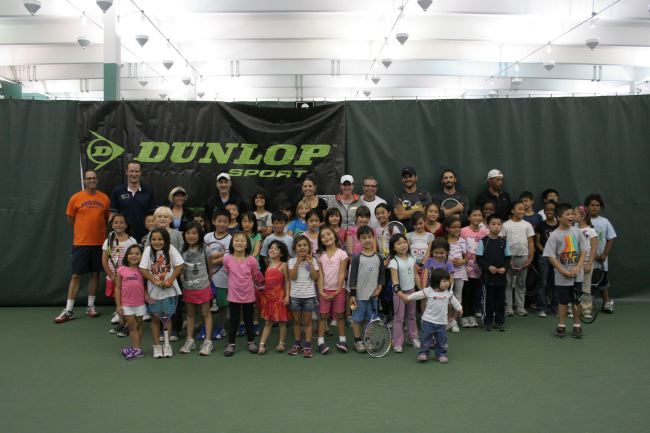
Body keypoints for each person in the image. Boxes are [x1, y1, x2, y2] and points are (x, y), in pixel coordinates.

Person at [55, 170, 110, 324]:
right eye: (89, 178)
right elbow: (70, 219)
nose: (92, 180)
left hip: (99, 243)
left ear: (97, 180)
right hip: (80, 243)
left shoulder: (104, 198)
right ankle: (69, 310)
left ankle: (90, 306)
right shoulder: (75, 198)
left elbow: (107, 219)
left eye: (94, 178)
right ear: (84, 180)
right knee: (75, 275)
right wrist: (82, 232)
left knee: (95, 274)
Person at [396, 269, 462, 363]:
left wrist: (459, 308)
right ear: (436, 282)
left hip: (441, 322)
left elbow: (454, 301)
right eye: (444, 281)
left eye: (448, 280)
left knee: (441, 340)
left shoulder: (448, 293)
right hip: (428, 321)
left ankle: (441, 354)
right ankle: (423, 353)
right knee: (426, 338)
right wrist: (408, 297)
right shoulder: (429, 291)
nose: (447, 283)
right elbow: (417, 294)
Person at [543, 203, 589, 339]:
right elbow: (550, 256)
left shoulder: (577, 232)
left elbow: (584, 251)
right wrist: (562, 271)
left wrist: (578, 267)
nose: (571, 216)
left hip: (577, 275)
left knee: (576, 301)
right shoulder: (554, 235)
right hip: (562, 277)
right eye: (568, 214)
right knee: (562, 301)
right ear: (559, 217)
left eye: (572, 214)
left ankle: (577, 326)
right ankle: (561, 326)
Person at [139, 228, 185, 358]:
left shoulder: (170, 249)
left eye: (160, 239)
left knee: (167, 318)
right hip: (154, 293)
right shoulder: (148, 250)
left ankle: (167, 345)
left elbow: (180, 265)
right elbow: (142, 269)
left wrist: (170, 280)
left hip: (170, 292)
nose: (157, 242)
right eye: (154, 239)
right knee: (155, 319)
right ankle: (157, 346)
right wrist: (155, 281)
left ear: (166, 240)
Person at [222, 232, 265, 356]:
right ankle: (231, 344)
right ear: (232, 243)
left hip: (248, 295)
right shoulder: (227, 258)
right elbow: (227, 272)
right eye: (237, 240)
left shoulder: (252, 260)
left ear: (247, 244)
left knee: (248, 319)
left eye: (242, 241)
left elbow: (254, 275)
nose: (239, 243)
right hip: (233, 295)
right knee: (234, 320)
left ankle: (251, 342)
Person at [179, 221, 214, 356]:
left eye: (194, 233)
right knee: (190, 313)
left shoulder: (206, 249)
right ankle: (190, 340)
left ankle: (208, 341)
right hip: (188, 287)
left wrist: (208, 283)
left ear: (200, 234)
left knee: (206, 313)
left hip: (203, 287)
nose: (191, 236)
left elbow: (210, 269)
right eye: (188, 233)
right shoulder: (182, 248)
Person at [348, 226, 385, 353]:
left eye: (369, 237)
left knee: (370, 320)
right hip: (359, 297)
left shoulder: (379, 257)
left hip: (373, 297)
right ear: (359, 240)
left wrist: (379, 288)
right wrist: (353, 295)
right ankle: (358, 341)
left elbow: (381, 275)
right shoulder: (356, 258)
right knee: (357, 319)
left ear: (373, 238)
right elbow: (352, 278)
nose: (367, 240)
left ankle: (367, 340)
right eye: (364, 238)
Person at [316, 226, 349, 354]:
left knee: (340, 316)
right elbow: (320, 275)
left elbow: (342, 273)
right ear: (320, 240)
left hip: (339, 290)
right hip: (324, 291)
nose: (326, 237)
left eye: (329, 234)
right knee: (323, 316)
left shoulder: (342, 254)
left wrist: (338, 290)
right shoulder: (320, 256)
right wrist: (321, 291)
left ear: (335, 236)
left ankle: (342, 341)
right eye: (323, 236)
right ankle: (320, 342)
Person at [102, 214, 137, 335]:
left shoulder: (132, 241)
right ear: (112, 225)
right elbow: (104, 260)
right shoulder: (108, 241)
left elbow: (135, 259)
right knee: (119, 302)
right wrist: (112, 275)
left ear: (126, 225)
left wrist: (128, 275)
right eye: (116, 222)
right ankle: (122, 323)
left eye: (121, 222)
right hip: (113, 277)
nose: (118, 225)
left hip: (127, 279)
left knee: (127, 302)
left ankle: (128, 325)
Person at [388, 233, 422, 353]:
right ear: (393, 248)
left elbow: (415, 275)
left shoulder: (412, 258)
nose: (402, 245)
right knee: (399, 318)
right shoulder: (394, 262)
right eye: (398, 244)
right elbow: (395, 283)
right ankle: (397, 343)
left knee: (412, 315)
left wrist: (421, 290)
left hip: (411, 291)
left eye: (404, 242)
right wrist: (402, 295)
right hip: (399, 294)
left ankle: (413, 338)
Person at [476, 214, 511, 331]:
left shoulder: (503, 242)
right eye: (493, 224)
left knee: (500, 301)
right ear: (488, 225)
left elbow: (508, 258)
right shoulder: (483, 242)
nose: (496, 226)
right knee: (488, 301)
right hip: (487, 279)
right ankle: (487, 322)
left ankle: (500, 322)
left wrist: (504, 268)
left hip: (501, 278)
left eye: (499, 224)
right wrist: (488, 267)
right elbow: (479, 258)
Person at [287, 236, 320, 358]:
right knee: (296, 321)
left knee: (307, 322)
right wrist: (297, 263)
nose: (302, 248)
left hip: (309, 296)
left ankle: (307, 346)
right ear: (295, 248)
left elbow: (315, 277)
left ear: (309, 247)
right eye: (299, 245)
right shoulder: (291, 261)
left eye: (305, 245)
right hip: (295, 296)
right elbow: (293, 277)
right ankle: (297, 344)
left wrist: (310, 264)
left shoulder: (313, 260)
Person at [500, 201, 535, 316]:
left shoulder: (527, 225)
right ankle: (508, 307)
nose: (522, 211)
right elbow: (502, 242)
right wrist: (506, 258)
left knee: (521, 283)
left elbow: (531, 242)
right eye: (519, 209)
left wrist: (530, 258)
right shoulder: (505, 225)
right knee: (508, 282)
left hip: (523, 257)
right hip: (508, 258)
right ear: (512, 211)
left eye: (524, 209)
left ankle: (520, 307)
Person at [584, 193, 616, 313]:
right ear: (587, 207)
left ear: (600, 207)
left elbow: (610, 239)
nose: (595, 207)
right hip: (585, 260)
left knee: (603, 282)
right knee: (586, 282)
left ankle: (607, 302)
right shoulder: (581, 221)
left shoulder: (605, 221)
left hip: (601, 261)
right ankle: (587, 304)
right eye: (592, 205)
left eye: (597, 205)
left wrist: (604, 254)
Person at [258, 241, 291, 354]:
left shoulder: (283, 265)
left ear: (281, 253)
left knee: (282, 322)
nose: (272, 250)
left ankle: (281, 343)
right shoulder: (268, 265)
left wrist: (287, 296)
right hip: (268, 298)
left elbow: (287, 281)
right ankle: (262, 344)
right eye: (271, 248)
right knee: (268, 322)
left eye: (276, 249)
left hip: (279, 297)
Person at [109, 160, 156, 242]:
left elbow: (153, 215)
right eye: (131, 171)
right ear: (127, 172)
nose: (134, 174)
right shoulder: (117, 191)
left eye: (136, 171)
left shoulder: (148, 191)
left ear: (141, 173)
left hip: (144, 237)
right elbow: (113, 215)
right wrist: (111, 234)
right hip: (123, 236)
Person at [204, 209, 232, 340]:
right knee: (206, 303)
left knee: (222, 304)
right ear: (213, 222)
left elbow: (226, 258)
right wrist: (214, 257)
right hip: (206, 278)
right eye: (219, 221)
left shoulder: (230, 239)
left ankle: (222, 325)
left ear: (229, 223)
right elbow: (203, 255)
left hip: (222, 278)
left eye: (225, 222)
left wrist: (210, 260)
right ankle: (206, 326)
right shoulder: (207, 237)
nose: (221, 224)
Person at [115, 244, 146, 360]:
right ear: (127, 255)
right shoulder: (121, 270)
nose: (134, 256)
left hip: (140, 304)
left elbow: (145, 286)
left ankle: (136, 348)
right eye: (131, 253)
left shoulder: (143, 270)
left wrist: (147, 295)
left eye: (137, 254)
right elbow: (117, 288)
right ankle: (137, 349)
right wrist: (118, 305)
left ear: (142, 256)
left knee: (139, 325)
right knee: (132, 326)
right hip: (126, 305)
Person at [460, 207, 489, 327]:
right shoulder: (463, 231)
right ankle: (464, 316)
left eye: (479, 215)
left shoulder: (485, 232)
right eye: (474, 215)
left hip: (479, 269)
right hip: (465, 268)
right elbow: (460, 248)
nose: (477, 217)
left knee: (475, 293)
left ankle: (472, 316)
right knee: (465, 292)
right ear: (469, 217)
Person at [574, 205, 599, 320]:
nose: (572, 216)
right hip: (574, 264)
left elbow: (593, 248)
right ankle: (573, 308)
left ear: (582, 216)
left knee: (586, 288)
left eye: (575, 214)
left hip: (586, 264)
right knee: (573, 287)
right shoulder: (573, 229)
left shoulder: (591, 231)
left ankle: (587, 309)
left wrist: (589, 263)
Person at [444, 216, 468, 333]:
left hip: (460, 273)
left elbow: (466, 257)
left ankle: (454, 322)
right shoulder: (443, 242)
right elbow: (438, 257)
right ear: (447, 228)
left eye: (459, 227)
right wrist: (449, 262)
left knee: (458, 297)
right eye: (454, 227)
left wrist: (462, 261)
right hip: (446, 274)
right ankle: (447, 320)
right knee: (446, 297)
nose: (457, 229)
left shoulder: (463, 241)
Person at [535, 200, 558, 317]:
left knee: (555, 283)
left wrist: (555, 254)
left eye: (552, 209)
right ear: (544, 211)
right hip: (543, 257)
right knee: (543, 282)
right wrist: (547, 253)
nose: (550, 212)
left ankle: (555, 308)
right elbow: (537, 242)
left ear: (556, 211)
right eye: (547, 210)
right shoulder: (540, 225)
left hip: (557, 258)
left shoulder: (560, 225)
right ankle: (542, 308)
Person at [393, 167, 432, 232]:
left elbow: (427, 212)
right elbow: (400, 216)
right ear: (402, 179)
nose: (408, 179)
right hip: (405, 233)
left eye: (410, 176)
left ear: (416, 177)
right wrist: (420, 209)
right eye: (405, 177)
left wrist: (405, 212)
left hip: (423, 232)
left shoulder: (425, 194)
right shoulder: (398, 196)